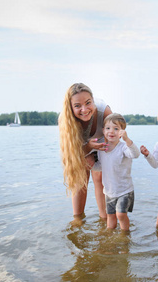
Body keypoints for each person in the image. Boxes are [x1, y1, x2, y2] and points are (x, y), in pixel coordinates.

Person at [58, 83, 111, 219]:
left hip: (102, 142)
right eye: (77, 106)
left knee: (99, 176)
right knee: (80, 173)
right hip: (81, 147)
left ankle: (104, 219)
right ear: (70, 107)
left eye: (88, 103)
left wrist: (99, 157)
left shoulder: (103, 111)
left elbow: (116, 140)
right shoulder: (65, 120)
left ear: (93, 100)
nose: (84, 109)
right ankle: (78, 219)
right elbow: (71, 154)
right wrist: (88, 148)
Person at [92, 113, 140, 231]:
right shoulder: (102, 149)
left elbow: (135, 154)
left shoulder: (124, 148)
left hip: (124, 190)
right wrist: (90, 165)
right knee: (110, 216)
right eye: (108, 128)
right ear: (103, 130)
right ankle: (109, 236)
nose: (111, 132)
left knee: (121, 215)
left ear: (122, 132)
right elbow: (99, 166)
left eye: (116, 128)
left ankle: (125, 237)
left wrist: (127, 140)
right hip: (109, 191)